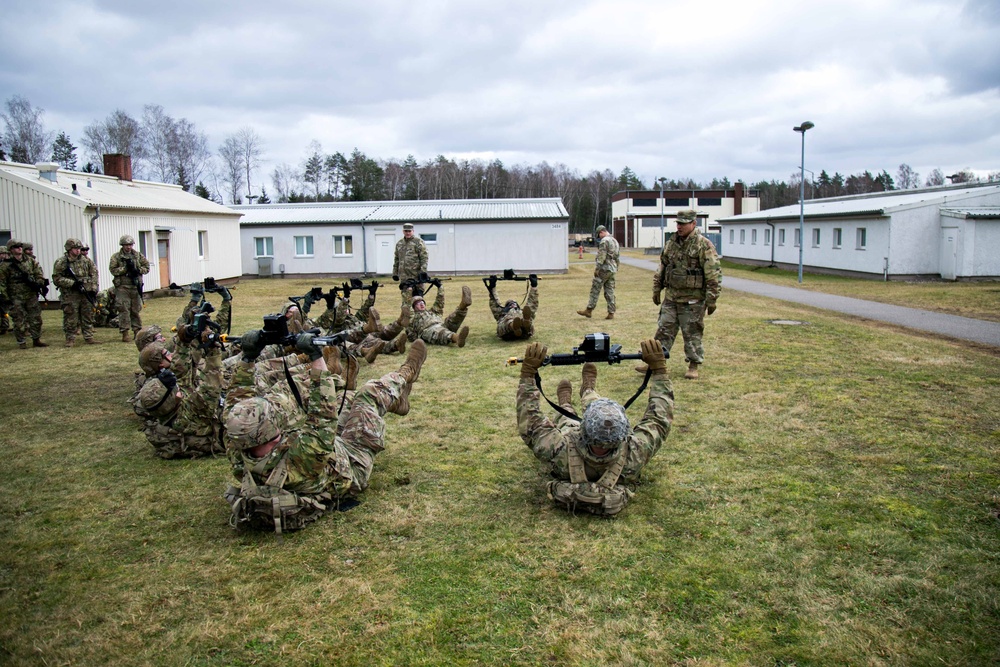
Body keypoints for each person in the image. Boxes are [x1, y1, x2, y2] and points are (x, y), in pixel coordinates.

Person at [221, 330, 428, 534]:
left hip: (328, 454)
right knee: (368, 396)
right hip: (352, 462)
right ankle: (407, 373)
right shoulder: (301, 457)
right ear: (269, 430)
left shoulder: (240, 451)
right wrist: (315, 356)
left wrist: (248, 357)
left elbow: (236, 402)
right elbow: (323, 410)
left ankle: (398, 402)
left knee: (345, 400)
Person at [516, 339, 674, 516]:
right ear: (624, 434)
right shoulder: (634, 454)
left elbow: (530, 422)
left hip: (574, 447)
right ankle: (588, 391)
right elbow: (659, 420)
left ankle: (566, 404)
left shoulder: (559, 450)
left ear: (583, 430)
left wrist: (528, 373)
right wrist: (660, 370)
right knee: (592, 410)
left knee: (568, 422)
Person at [640, 209, 722, 380]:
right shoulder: (671, 243)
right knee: (664, 329)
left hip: (693, 299)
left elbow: (713, 274)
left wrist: (711, 299)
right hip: (671, 296)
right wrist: (657, 288)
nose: (679, 226)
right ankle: (655, 362)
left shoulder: (703, 245)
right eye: (678, 223)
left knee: (692, 332)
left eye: (683, 223)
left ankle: (693, 365)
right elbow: (662, 267)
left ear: (693, 224)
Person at [135, 326, 226, 459]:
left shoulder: (170, 409)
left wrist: (183, 341)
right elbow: (212, 382)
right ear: (171, 397)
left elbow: (180, 373)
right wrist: (213, 349)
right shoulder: (189, 411)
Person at [0, 240, 48, 349]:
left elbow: (39, 274)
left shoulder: (30, 261)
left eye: (20, 246)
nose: (19, 248)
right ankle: (22, 342)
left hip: (30, 294)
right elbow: (2, 283)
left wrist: (38, 284)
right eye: (16, 247)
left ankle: (36, 339)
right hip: (15, 296)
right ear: (11, 249)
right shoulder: (5, 265)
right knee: (18, 320)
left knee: (36, 318)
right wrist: (6, 298)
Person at [52, 238, 99, 347]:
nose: (78, 251)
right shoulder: (62, 262)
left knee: (87, 314)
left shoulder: (86, 261)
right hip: (70, 294)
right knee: (71, 316)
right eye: (75, 248)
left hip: (85, 292)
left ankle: (88, 336)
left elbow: (94, 274)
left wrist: (93, 288)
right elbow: (57, 278)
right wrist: (72, 283)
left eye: (79, 248)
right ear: (69, 249)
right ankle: (70, 338)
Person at [109, 234, 150, 342]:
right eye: (126, 245)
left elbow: (146, 267)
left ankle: (137, 331)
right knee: (123, 310)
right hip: (123, 287)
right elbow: (113, 270)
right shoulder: (116, 257)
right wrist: (125, 269)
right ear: (122, 245)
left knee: (135, 310)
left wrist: (137, 270)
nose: (128, 247)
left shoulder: (138, 256)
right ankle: (125, 332)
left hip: (135, 287)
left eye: (130, 245)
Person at [407, 283, 471, 347]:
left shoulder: (432, 312)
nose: (421, 304)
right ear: (413, 307)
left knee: (453, 319)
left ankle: (463, 305)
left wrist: (440, 287)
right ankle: (457, 338)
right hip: (429, 330)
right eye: (418, 303)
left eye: (422, 302)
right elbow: (411, 336)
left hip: (442, 325)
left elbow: (439, 302)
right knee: (442, 332)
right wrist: (409, 290)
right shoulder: (412, 318)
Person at [577, 225, 620, 320]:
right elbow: (617, 256)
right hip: (612, 268)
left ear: (601, 232)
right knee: (610, 291)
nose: (599, 237)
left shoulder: (604, 241)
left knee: (595, 288)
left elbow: (602, 256)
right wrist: (616, 267)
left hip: (604, 268)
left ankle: (589, 310)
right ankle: (611, 312)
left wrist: (597, 268)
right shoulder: (614, 241)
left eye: (599, 235)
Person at [485, 274, 538, 340]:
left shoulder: (518, 312)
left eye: (514, 303)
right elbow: (532, 304)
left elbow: (532, 304)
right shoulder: (502, 312)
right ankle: (517, 325)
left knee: (523, 317)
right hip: (509, 333)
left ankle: (521, 324)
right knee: (509, 321)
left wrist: (534, 286)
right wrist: (534, 286)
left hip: (513, 332)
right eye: (510, 303)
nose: (512, 304)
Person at [392, 223, 428, 302]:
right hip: (404, 278)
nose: (408, 233)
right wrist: (395, 273)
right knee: (406, 302)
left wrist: (423, 272)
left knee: (417, 301)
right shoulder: (399, 243)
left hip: (416, 277)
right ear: (403, 231)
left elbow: (424, 258)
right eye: (406, 231)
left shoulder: (418, 242)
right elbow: (397, 259)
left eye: (409, 231)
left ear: (413, 231)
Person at [0, 245, 10, 336]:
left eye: (4, 253)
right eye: (1, 254)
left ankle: (5, 326)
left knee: (4, 311)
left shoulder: (8, 265)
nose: (3, 255)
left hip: (4, 291)